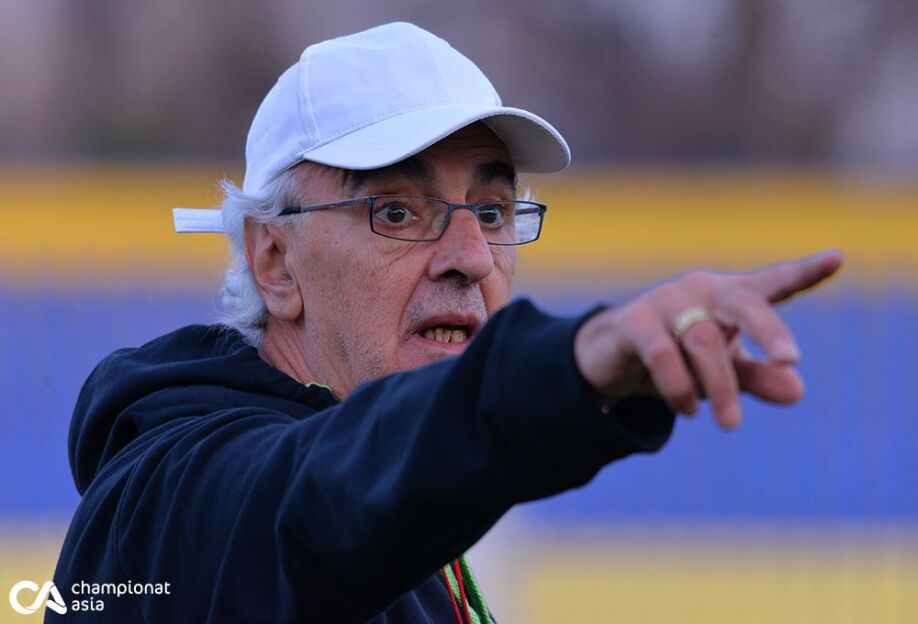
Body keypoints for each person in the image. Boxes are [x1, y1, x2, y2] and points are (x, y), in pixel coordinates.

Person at [49, 22, 842, 623]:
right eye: (397, 210)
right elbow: (314, 499)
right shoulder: (169, 499)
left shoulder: (405, 503)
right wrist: (568, 363)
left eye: (492, 211)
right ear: (275, 261)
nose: (472, 256)